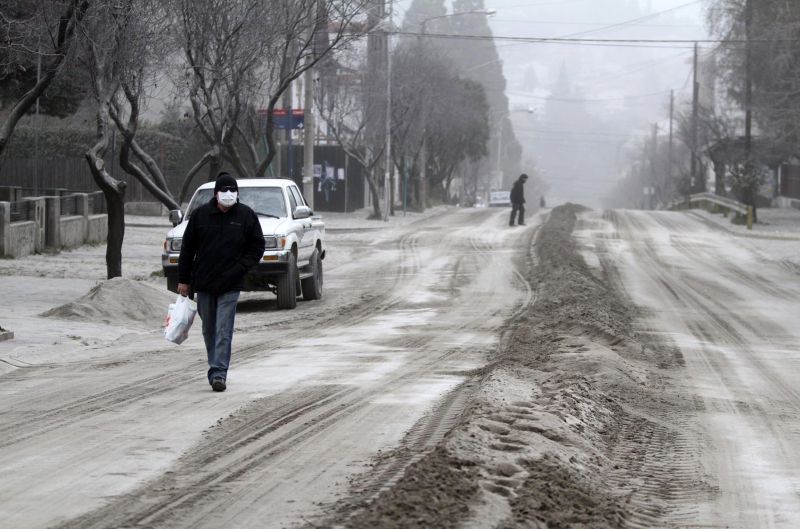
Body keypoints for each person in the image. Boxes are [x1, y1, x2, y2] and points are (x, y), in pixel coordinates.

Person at [177, 172, 265, 392]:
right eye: (224, 190)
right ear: (216, 193)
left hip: (231, 283)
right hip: (204, 283)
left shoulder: (246, 216)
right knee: (209, 329)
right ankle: (214, 363)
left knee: (224, 329)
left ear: (237, 193)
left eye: (232, 190)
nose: (228, 194)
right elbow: (187, 249)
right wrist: (184, 280)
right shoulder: (200, 216)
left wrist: (241, 268)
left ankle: (218, 372)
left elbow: (257, 246)